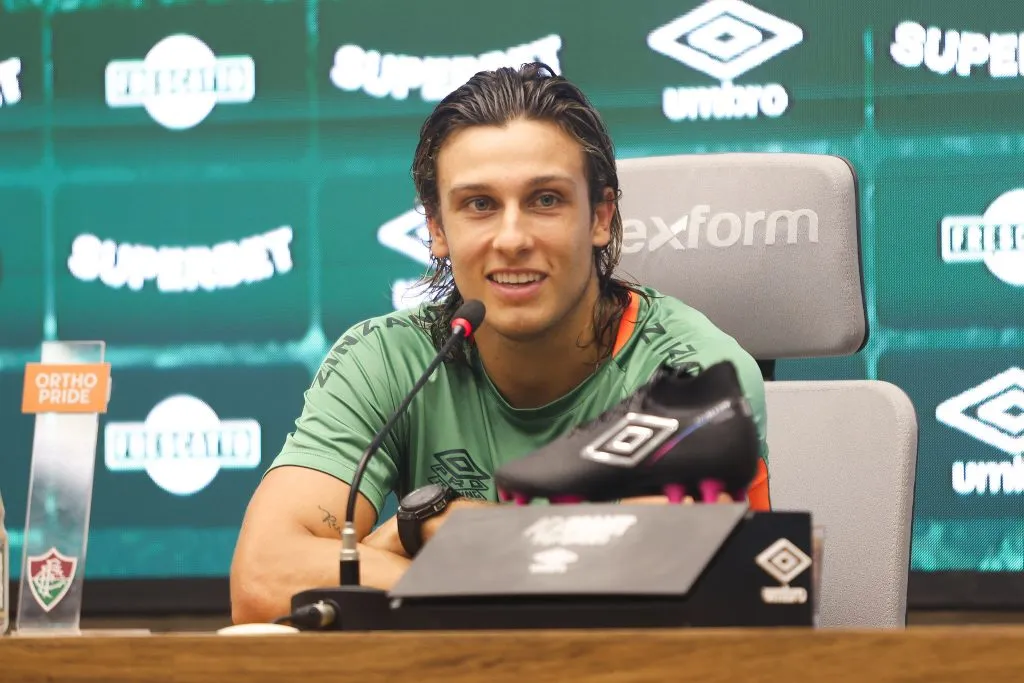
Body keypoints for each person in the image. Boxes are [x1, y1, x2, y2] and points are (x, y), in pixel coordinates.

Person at [229, 62, 770, 625]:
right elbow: (263, 579)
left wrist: (434, 531)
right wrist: (484, 570)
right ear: (438, 229)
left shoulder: (695, 374)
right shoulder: (386, 362)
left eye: (545, 200)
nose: (512, 239)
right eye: (480, 205)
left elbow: (659, 592)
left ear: (601, 217)